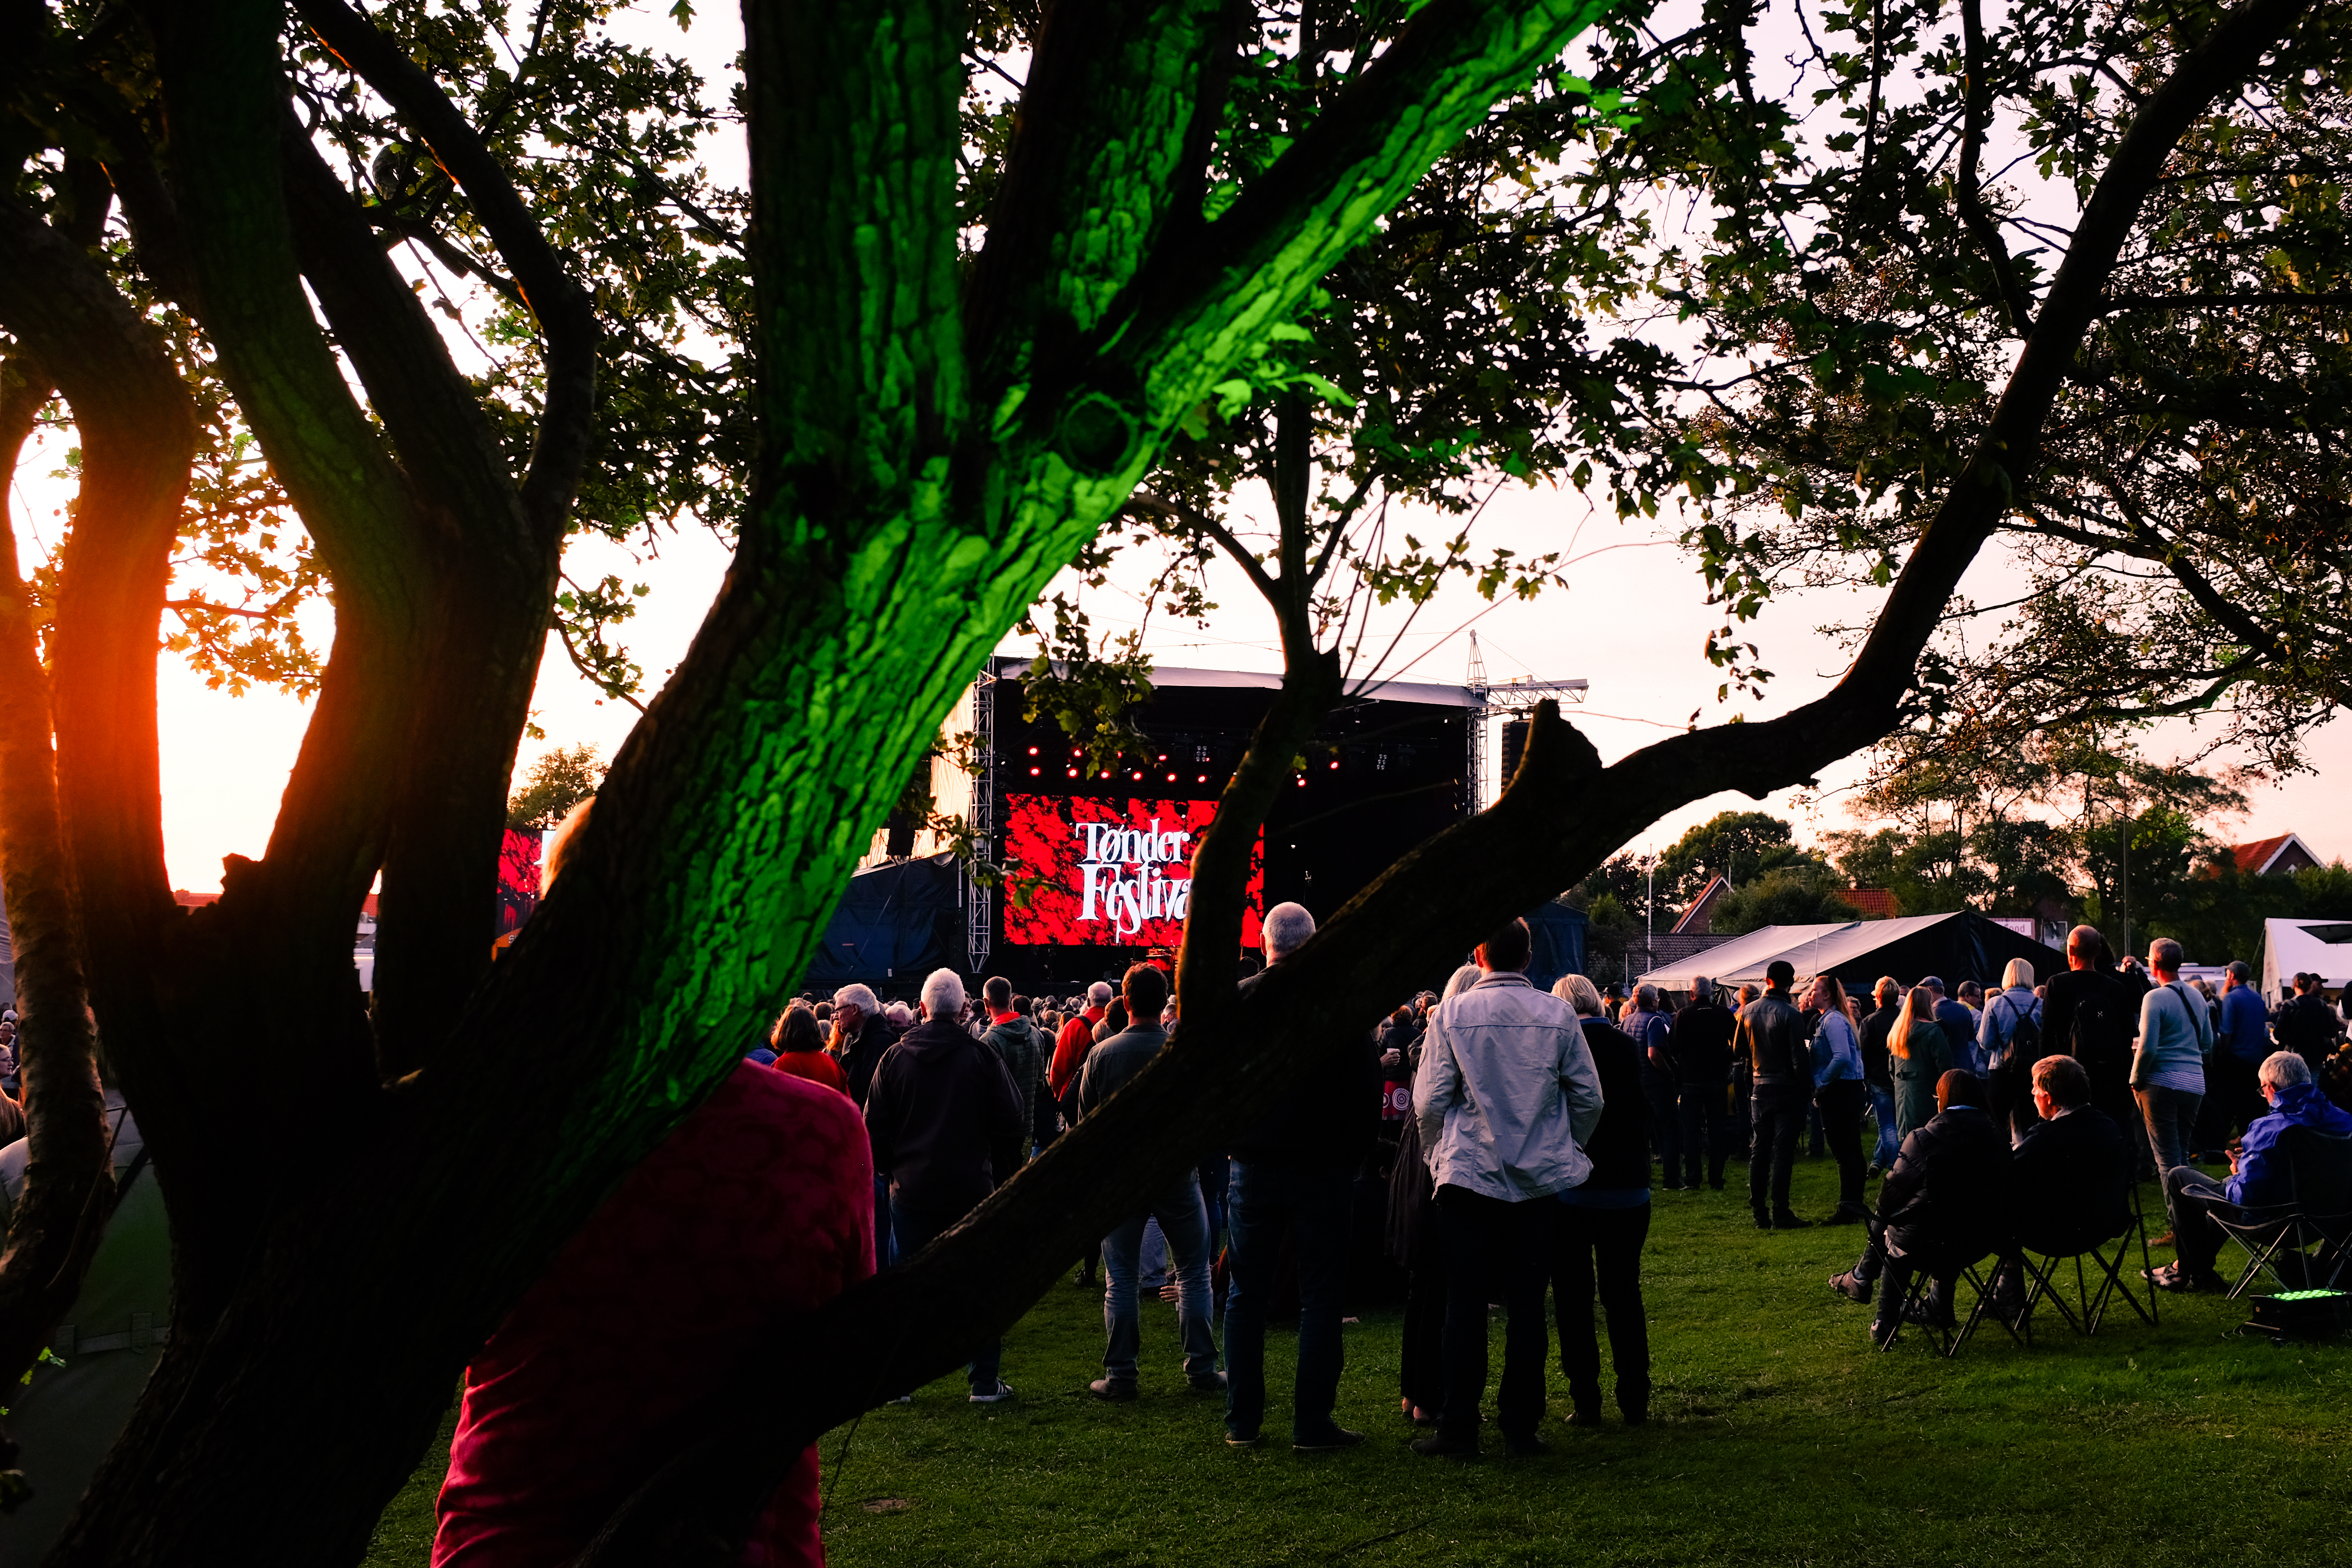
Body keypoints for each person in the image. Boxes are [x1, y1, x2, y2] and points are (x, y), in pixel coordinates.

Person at [432, 799, 871, 1568]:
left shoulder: (484, 1125)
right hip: (748, 1545)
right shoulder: (818, 1132)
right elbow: (851, 1341)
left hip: (513, 1540)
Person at [1412, 917, 1603, 1458]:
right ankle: (1520, 1425)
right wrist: (1564, 1146)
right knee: (1527, 1306)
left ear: (1479, 955)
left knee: (1465, 1305)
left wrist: (1436, 1156)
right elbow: (1589, 1098)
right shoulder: (1558, 1015)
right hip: (1538, 1182)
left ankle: (1458, 1427)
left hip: (1468, 1177)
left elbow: (1429, 1102)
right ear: (1528, 957)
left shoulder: (1452, 1014)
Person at [1224, 902, 1382, 1452]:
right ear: (1313, 943)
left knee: (1246, 1294)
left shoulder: (1239, 1004)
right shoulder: (1339, 1005)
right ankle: (1311, 1423)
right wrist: (1353, 1155)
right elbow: (1366, 1092)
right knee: (1321, 1297)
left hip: (1253, 1165)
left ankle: (1243, 1421)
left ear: (1264, 943)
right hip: (1322, 1169)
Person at [863, 967, 1026, 1402]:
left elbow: (872, 1125)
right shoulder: (980, 1057)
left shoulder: (895, 1059)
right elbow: (1012, 1118)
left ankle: (899, 1381)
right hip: (969, 1187)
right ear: (963, 1009)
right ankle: (984, 1380)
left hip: (912, 1190)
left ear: (922, 1008)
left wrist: (890, 1169)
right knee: (978, 1283)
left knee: (907, 1286)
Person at [1076, 963, 1223, 1400]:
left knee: (1121, 1278)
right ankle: (1202, 1369)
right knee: (1194, 1273)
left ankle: (1121, 1375)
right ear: (1164, 1003)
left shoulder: (1102, 1055)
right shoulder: (1184, 1053)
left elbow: (1085, 1126)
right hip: (1176, 1176)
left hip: (1120, 1179)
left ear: (1125, 1001)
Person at [1828, 1069, 2012, 1344]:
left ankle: (1880, 1315)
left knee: (1898, 1223)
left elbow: (1888, 1198)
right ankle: (1918, 1301)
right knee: (1929, 1216)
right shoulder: (2000, 1139)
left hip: (1928, 1245)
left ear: (1942, 1100)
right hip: (1980, 1242)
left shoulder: (1924, 1138)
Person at [2146, 1051, 2352, 1292]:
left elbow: (2244, 1196)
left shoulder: (2271, 1128)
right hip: (2331, 1219)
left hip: (2276, 1223)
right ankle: (2192, 1271)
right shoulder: (2344, 1121)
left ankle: (2187, 1269)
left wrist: (2239, 1171)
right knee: (2220, 1192)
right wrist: (2253, 1161)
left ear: (2271, 1088)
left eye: (2262, 1090)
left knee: (2179, 1176)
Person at [1553, 973, 1654, 1426]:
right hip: (1628, 1184)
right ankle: (1634, 1396)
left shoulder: (1560, 1046)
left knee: (1574, 1300)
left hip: (1574, 1187)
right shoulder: (1625, 1046)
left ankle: (1586, 1399)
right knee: (1624, 1293)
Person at [1389, 966, 1482, 1430]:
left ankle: (1414, 1391)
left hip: (1416, 1162)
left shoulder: (1426, 1044)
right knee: (1441, 1289)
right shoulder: (1454, 1044)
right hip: (1439, 1164)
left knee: (1423, 1287)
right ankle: (1430, 1395)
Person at [2133, 937, 2214, 1246]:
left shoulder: (2154, 998)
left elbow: (2148, 1047)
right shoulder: (2197, 996)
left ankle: (2180, 1229)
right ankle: (2194, 1220)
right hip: (2194, 1082)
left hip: (2162, 1082)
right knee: (2182, 1157)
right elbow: (2208, 1042)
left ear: (2154, 963)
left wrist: (2135, 1079)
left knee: (2167, 1160)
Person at [1739, 959, 1813, 1230]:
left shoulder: (1748, 1010)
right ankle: (1781, 1211)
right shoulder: (1791, 1014)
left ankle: (1760, 1213)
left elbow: (1738, 1049)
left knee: (1760, 1149)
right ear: (1790, 983)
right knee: (1783, 1152)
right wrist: (1807, 1089)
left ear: (1766, 979)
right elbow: (1799, 1059)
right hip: (1787, 1089)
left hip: (1760, 1086)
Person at [1807, 975, 1869, 1224]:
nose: (1810, 994)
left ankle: (1849, 1208)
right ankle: (1854, 1204)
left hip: (1840, 1091)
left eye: (1814, 990)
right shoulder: (1835, 1019)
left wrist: (1822, 1081)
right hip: (1848, 1089)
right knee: (1851, 1150)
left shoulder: (1832, 1021)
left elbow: (1841, 1056)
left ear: (1827, 995)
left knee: (1845, 1153)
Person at [1669, 977, 1737, 1190]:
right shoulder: (1724, 1014)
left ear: (1692, 994)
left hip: (1691, 1080)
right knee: (1717, 1130)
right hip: (1717, 1079)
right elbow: (1738, 1043)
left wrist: (1681, 1067)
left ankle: (1693, 1178)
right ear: (1712, 992)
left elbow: (1673, 1047)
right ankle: (1716, 1178)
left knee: (1691, 1131)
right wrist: (1725, 1060)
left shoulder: (1683, 1015)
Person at [979, 977, 1046, 1173]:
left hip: (998, 1128)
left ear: (986, 1003)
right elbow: (1040, 1083)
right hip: (1025, 1123)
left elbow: (985, 1091)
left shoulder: (989, 1041)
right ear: (1010, 1000)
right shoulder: (1036, 1034)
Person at [1619, 984, 1680, 1190]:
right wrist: (1669, 1072)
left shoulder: (1627, 1021)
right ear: (1654, 1001)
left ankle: (1643, 1178)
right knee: (1669, 1130)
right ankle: (1671, 1180)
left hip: (1637, 1082)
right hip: (1656, 1082)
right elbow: (1653, 1053)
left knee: (1642, 1133)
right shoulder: (1655, 1020)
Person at [1978, 959, 2045, 1145]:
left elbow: (1986, 1043)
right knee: (2032, 1122)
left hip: (2002, 1069)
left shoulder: (1995, 1003)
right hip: (2033, 1070)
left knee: (1996, 1122)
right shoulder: (2041, 1004)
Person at [1888, 984, 1951, 1145]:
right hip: (1928, 1095)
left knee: (1907, 1141)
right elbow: (1945, 1068)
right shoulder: (1934, 1031)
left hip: (1902, 1094)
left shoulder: (1897, 1032)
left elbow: (1892, 1068)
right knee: (1929, 1139)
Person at [2216, 961, 2272, 1139]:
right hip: (2257, 1056)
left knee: (2235, 1099)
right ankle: (2251, 1134)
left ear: (2232, 975)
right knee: (2252, 1101)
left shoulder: (2231, 998)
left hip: (2237, 1056)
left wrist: (2222, 1054)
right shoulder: (2257, 998)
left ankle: (2238, 1135)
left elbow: (2227, 1031)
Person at [1859, 977, 1903, 1173]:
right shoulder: (1904, 1020)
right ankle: (1879, 1160)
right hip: (1901, 1077)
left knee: (1887, 1126)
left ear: (1878, 997)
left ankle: (1896, 1167)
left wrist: (1866, 1077)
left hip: (1879, 1079)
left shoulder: (1870, 1022)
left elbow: (1863, 1054)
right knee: (1896, 1124)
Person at [2275, 972, 2346, 1073]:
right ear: (2310, 986)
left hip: (2293, 1056)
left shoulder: (2290, 1005)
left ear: (2294, 986)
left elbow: (2278, 1034)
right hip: (2316, 1057)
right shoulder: (2321, 1005)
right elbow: (2330, 1032)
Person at [769, 1004, 848, 1094]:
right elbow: (846, 1097)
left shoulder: (784, 1065)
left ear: (783, 1031)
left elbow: (774, 1098)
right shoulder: (832, 1063)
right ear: (815, 1029)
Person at [1923, 977, 1980, 1075]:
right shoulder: (1963, 1008)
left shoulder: (1934, 1013)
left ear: (1930, 990)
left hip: (1948, 1071)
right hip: (1967, 1066)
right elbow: (1970, 1037)